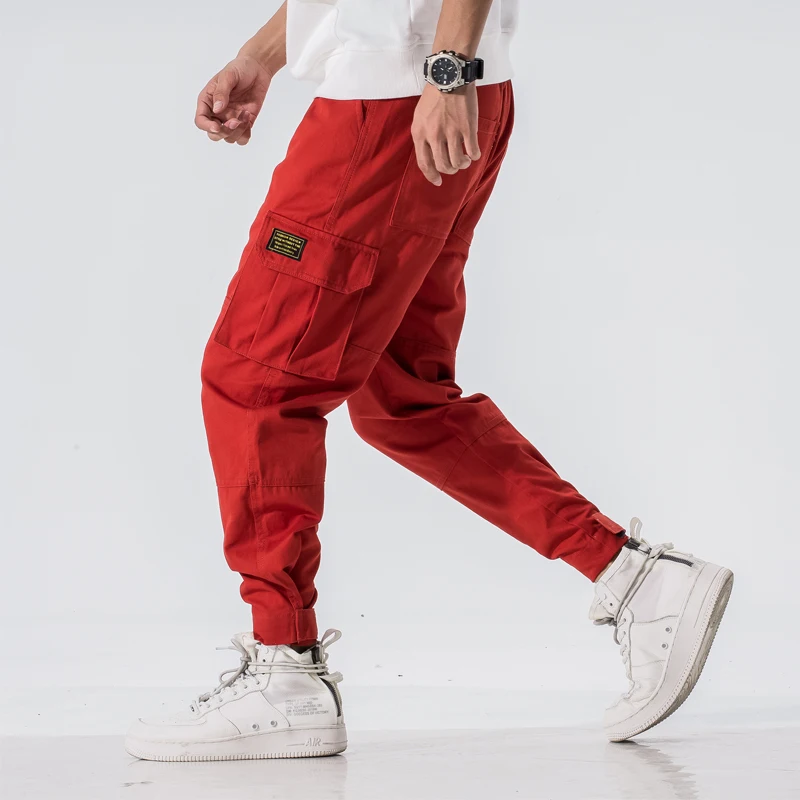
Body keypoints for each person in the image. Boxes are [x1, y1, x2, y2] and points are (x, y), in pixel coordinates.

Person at [125, 0, 733, 761]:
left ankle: (284, 672)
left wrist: (448, 73)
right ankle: (635, 578)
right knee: (400, 396)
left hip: (397, 105)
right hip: (433, 95)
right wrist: (264, 53)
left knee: (256, 382)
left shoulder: (425, 80)